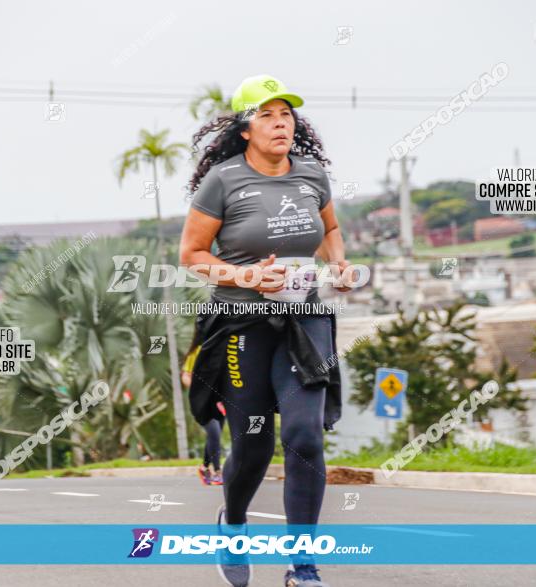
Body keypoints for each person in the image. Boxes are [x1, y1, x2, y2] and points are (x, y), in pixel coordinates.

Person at [180, 74, 353, 587]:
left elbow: (331, 231)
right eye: (267, 115)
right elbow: (191, 255)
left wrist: (339, 265)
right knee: (253, 445)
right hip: (241, 324)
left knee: (304, 434)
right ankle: (233, 523)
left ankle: (303, 568)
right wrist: (245, 275)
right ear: (244, 128)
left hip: (303, 322)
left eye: (287, 114)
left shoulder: (311, 175)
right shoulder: (224, 181)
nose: (281, 124)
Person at [183, 344, 226, 486]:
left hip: (219, 401)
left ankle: (204, 468)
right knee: (214, 432)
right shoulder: (197, 350)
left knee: (215, 435)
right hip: (201, 401)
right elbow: (186, 376)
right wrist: (199, 390)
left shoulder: (223, 347)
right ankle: (217, 473)